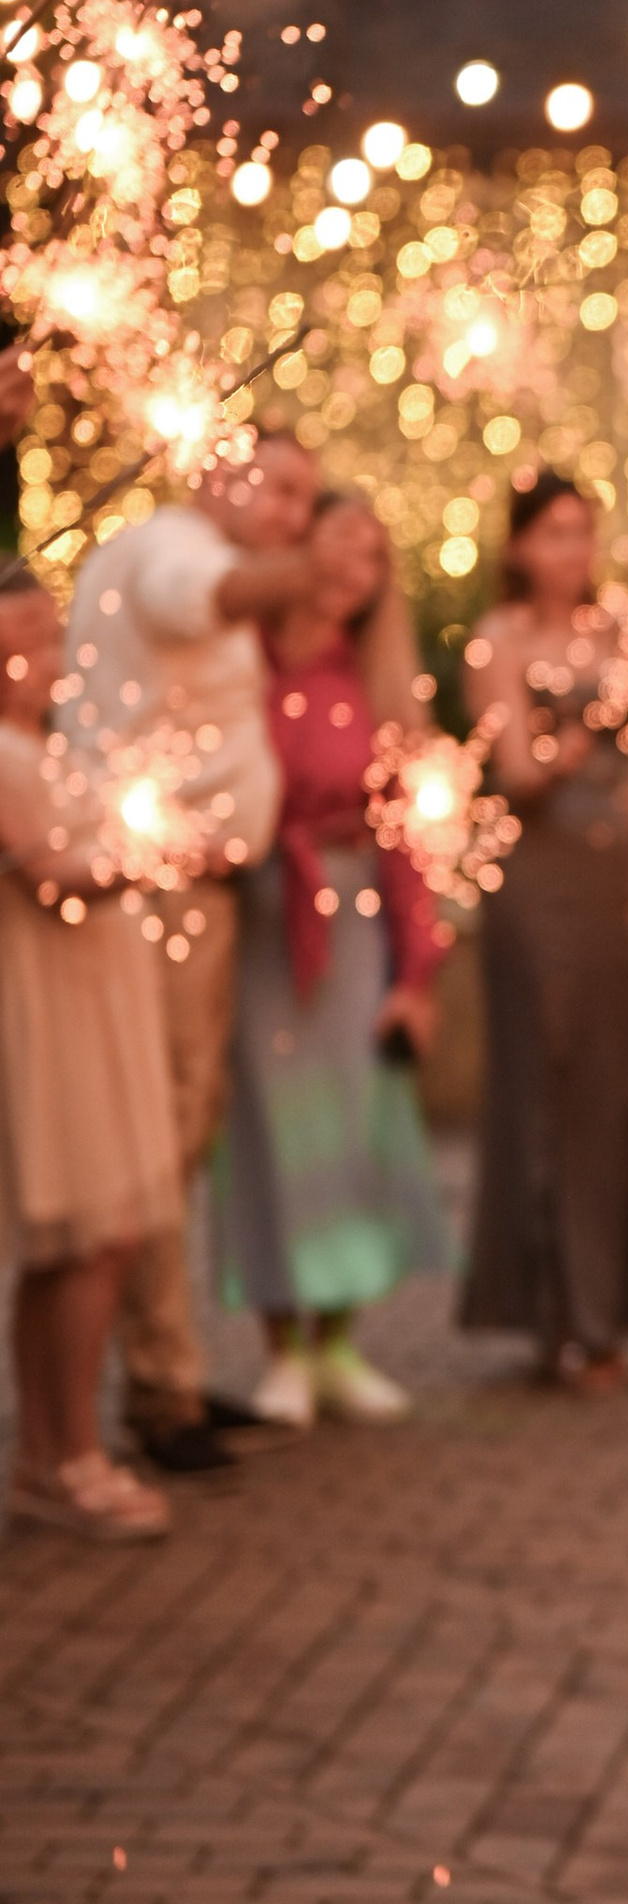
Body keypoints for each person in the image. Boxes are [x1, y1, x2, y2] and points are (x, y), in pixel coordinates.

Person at [57, 431, 318, 1474]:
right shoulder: (175, 550)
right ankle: (159, 1397)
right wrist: (306, 570)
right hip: (164, 895)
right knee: (157, 1132)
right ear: (221, 475)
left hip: (186, 890)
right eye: (284, 493)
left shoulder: (176, 548)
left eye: (308, 499)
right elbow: (197, 594)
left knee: (175, 1127)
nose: (296, 515)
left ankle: (166, 1368)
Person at [214, 491, 449, 1426]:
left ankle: (339, 1341)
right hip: (266, 912)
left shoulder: (380, 683)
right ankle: (279, 1348)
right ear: (300, 549)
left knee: (358, 1126)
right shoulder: (241, 665)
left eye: (374, 554)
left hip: (354, 917)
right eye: (340, 544)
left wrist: (416, 973)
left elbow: (408, 844)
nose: (356, 568)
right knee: (268, 1131)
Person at [459, 472, 628, 1393]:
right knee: (536, 1072)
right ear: (517, 546)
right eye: (552, 533)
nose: (571, 551)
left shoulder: (624, 630)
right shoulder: (496, 642)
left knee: (609, 1079)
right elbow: (508, 769)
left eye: (582, 532)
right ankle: (550, 1312)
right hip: (531, 869)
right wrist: (557, 757)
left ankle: (608, 1311)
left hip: (606, 868)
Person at [0, 561, 180, 1538]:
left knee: (86, 1237)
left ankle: (48, 1454)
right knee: (88, 1233)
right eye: (21, 640)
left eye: (49, 634)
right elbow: (48, 877)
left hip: (95, 996)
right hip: (50, 1005)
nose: (43, 658)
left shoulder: (54, 744)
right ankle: (67, 1454)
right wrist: (143, 861)